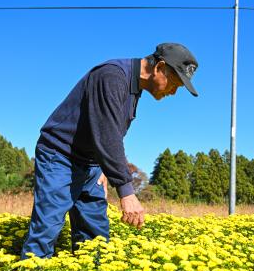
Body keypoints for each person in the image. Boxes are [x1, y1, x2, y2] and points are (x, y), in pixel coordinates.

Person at [21, 43, 199, 259]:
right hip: (60, 156)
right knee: (47, 228)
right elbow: (107, 135)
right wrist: (127, 192)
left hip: (91, 165)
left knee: (95, 238)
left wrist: (105, 167)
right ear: (160, 67)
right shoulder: (112, 76)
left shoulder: (134, 89)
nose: (174, 91)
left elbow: (110, 131)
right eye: (175, 83)